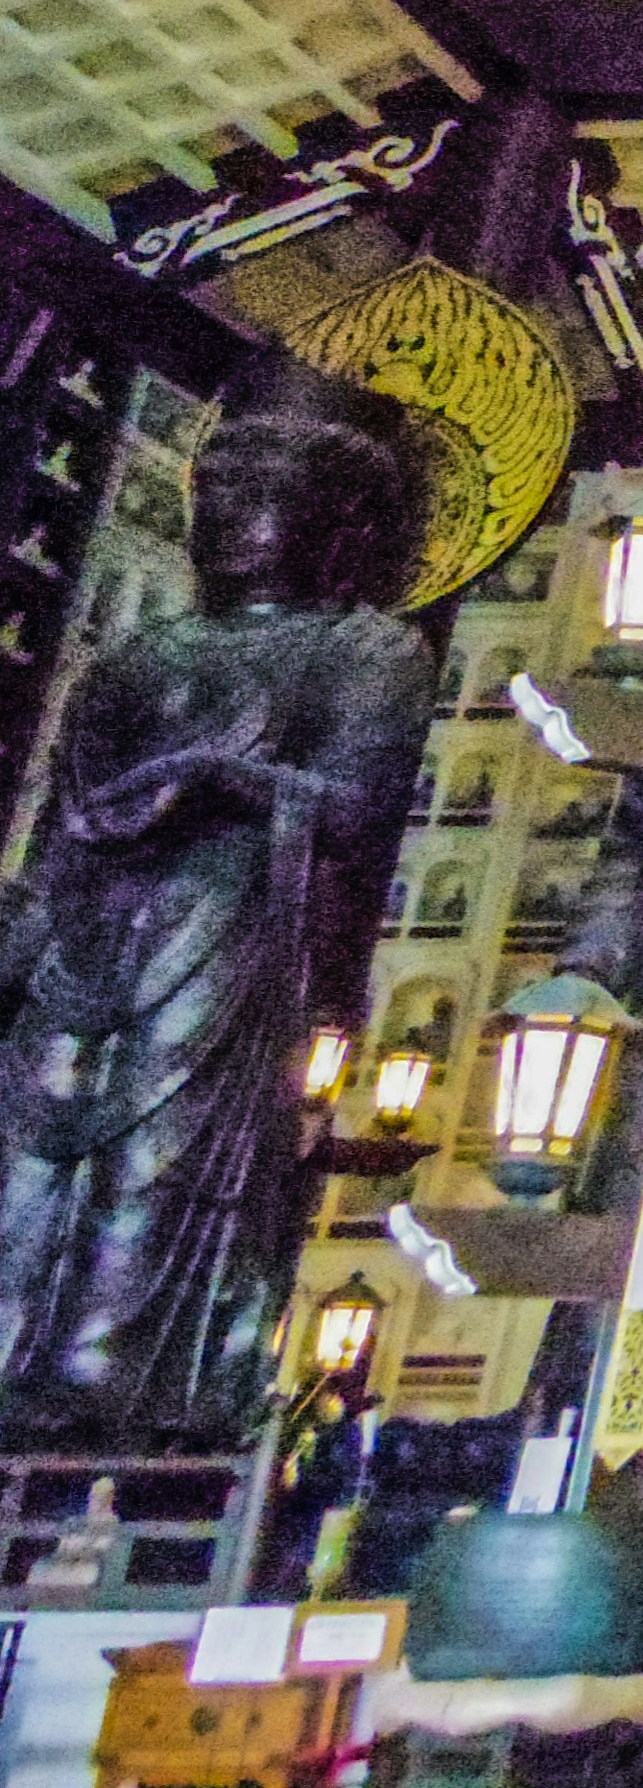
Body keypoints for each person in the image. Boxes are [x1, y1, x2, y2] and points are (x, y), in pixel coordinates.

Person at [0, 390, 433, 1444]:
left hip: (226, 934)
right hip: (91, 936)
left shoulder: (367, 650)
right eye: (215, 494)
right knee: (29, 1173)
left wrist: (213, 775)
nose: (228, 519)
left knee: (163, 1173)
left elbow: (358, 806)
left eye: (263, 498)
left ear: (336, 528)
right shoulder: (139, 659)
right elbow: (63, 833)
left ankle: (129, 1391)